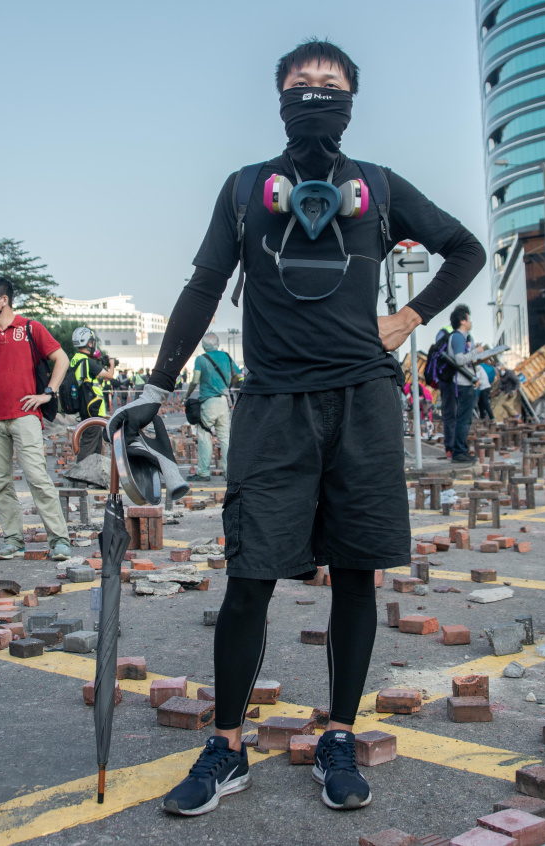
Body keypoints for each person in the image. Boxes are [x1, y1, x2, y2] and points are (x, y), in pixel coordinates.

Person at [107, 40, 484, 817]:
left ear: (351, 99)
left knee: (357, 573)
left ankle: (339, 735)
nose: (315, 93)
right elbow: (205, 286)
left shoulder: (380, 187)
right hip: (272, 405)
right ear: (279, 96)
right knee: (250, 577)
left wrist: (409, 317)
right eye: (301, 83)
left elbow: (465, 249)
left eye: (330, 83)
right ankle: (227, 746)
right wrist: (154, 388)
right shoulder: (246, 190)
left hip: (363, 403)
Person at [0, 276, 74, 562]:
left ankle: (59, 540)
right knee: (1, 483)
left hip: (25, 415)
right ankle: (12, 540)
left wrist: (48, 393)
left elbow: (62, 359)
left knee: (37, 477)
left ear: (3, 300)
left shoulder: (30, 328)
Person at [187, 332, 239, 482]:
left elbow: (195, 379)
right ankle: (229, 473)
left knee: (204, 435)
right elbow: (238, 375)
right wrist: (228, 385)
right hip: (224, 401)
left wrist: (187, 394)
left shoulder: (201, 359)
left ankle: (203, 473)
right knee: (225, 437)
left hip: (208, 402)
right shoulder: (227, 357)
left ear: (203, 346)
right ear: (217, 344)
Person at [67, 326, 116, 458]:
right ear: (89, 343)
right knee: (90, 442)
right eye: (92, 342)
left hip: (85, 406)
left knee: (94, 442)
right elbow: (110, 375)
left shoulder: (76, 359)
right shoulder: (86, 362)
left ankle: (93, 467)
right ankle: (83, 468)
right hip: (92, 408)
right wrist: (112, 364)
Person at [443, 305, 479, 462]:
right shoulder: (458, 337)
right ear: (462, 321)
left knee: (464, 418)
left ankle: (460, 450)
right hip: (463, 383)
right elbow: (459, 360)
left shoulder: (460, 337)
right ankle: (459, 452)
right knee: (464, 419)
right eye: (468, 319)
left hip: (464, 382)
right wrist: (477, 351)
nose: (470, 322)